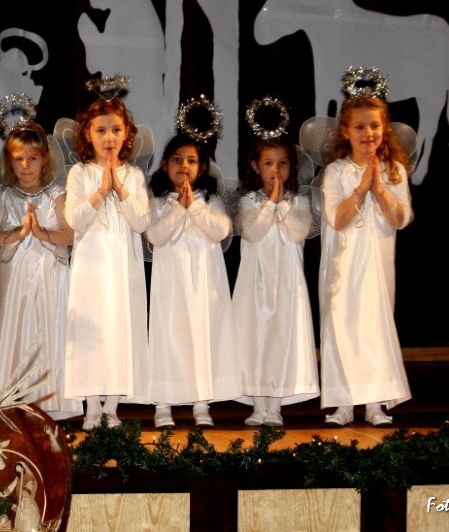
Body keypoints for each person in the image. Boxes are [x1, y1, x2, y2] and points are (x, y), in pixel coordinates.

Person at [318, 95, 413, 427]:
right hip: (343, 265)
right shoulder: (335, 172)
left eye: (374, 126)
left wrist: (379, 189)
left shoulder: (394, 171)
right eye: (359, 127)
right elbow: (336, 219)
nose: (367, 133)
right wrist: (361, 188)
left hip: (376, 263)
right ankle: (343, 403)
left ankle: (375, 403)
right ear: (346, 131)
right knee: (341, 327)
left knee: (374, 326)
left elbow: (401, 218)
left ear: (384, 129)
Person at [0, 123, 80, 420]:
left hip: (50, 275)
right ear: (9, 161)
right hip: (15, 278)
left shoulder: (58, 195)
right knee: (18, 327)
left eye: (32, 158)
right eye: (18, 159)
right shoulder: (3, 198)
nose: (25, 166)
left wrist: (41, 233)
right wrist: (20, 232)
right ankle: (14, 398)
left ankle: (53, 402)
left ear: (44, 160)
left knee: (49, 326)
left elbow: (71, 236)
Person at [63, 97, 150, 430]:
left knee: (119, 329)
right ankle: (91, 405)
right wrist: (101, 191)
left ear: (126, 133)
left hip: (122, 267)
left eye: (116, 130)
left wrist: (121, 189)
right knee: (90, 331)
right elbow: (75, 220)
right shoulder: (79, 173)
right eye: (101, 130)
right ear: (88, 134)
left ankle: (112, 407)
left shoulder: (134, 175)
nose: (109, 137)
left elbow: (141, 222)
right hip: (90, 267)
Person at [145, 133, 239, 428]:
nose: (184, 166)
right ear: (164, 165)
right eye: (177, 160)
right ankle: (163, 403)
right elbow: (155, 236)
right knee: (168, 335)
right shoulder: (159, 204)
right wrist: (178, 208)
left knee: (202, 336)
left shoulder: (211, 201)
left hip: (204, 284)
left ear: (202, 168)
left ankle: (201, 402)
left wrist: (194, 207)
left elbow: (221, 230)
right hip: (170, 284)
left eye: (191, 160)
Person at [231, 136, 319, 427]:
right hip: (255, 283)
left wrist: (283, 205)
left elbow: (299, 231)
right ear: (256, 166)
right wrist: (270, 204)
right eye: (268, 163)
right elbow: (252, 231)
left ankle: (276, 405)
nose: (276, 170)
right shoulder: (249, 201)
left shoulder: (299, 201)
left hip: (288, 285)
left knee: (283, 338)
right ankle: (258, 404)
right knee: (255, 339)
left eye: (282, 163)